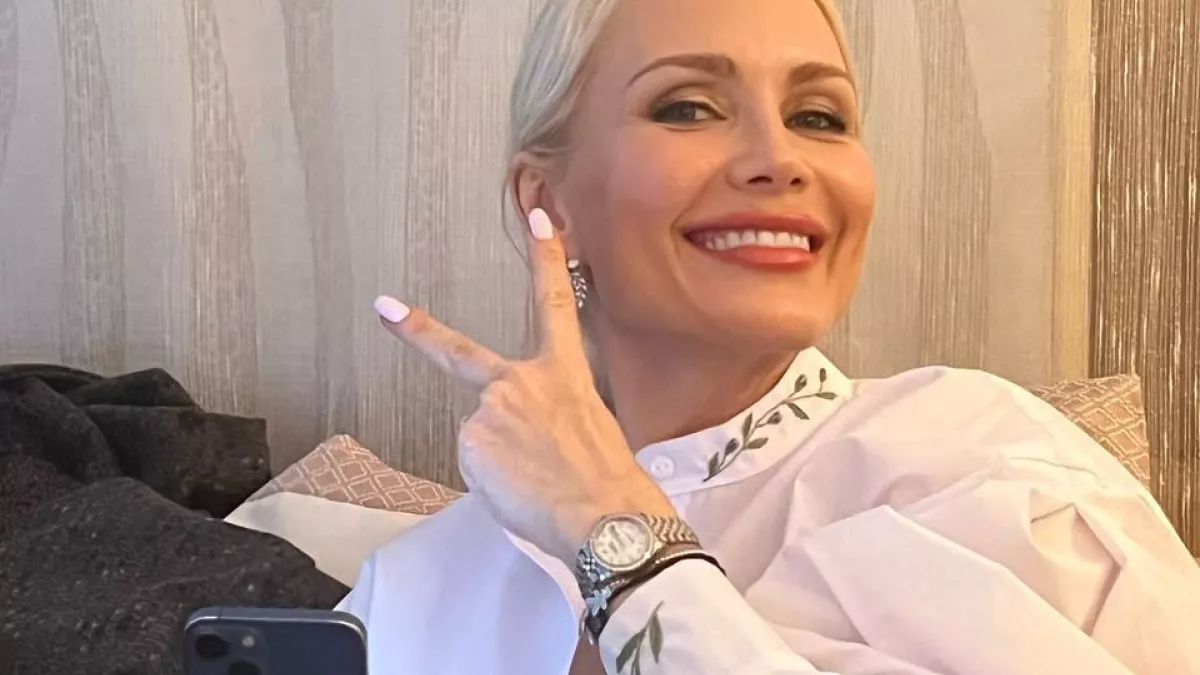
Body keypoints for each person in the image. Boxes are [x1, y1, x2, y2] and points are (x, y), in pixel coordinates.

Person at [342, 0, 1200, 673]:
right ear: (549, 202)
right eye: (688, 107)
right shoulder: (409, 589)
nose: (780, 158)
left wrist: (619, 539)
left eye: (819, 117)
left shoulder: (997, 475)